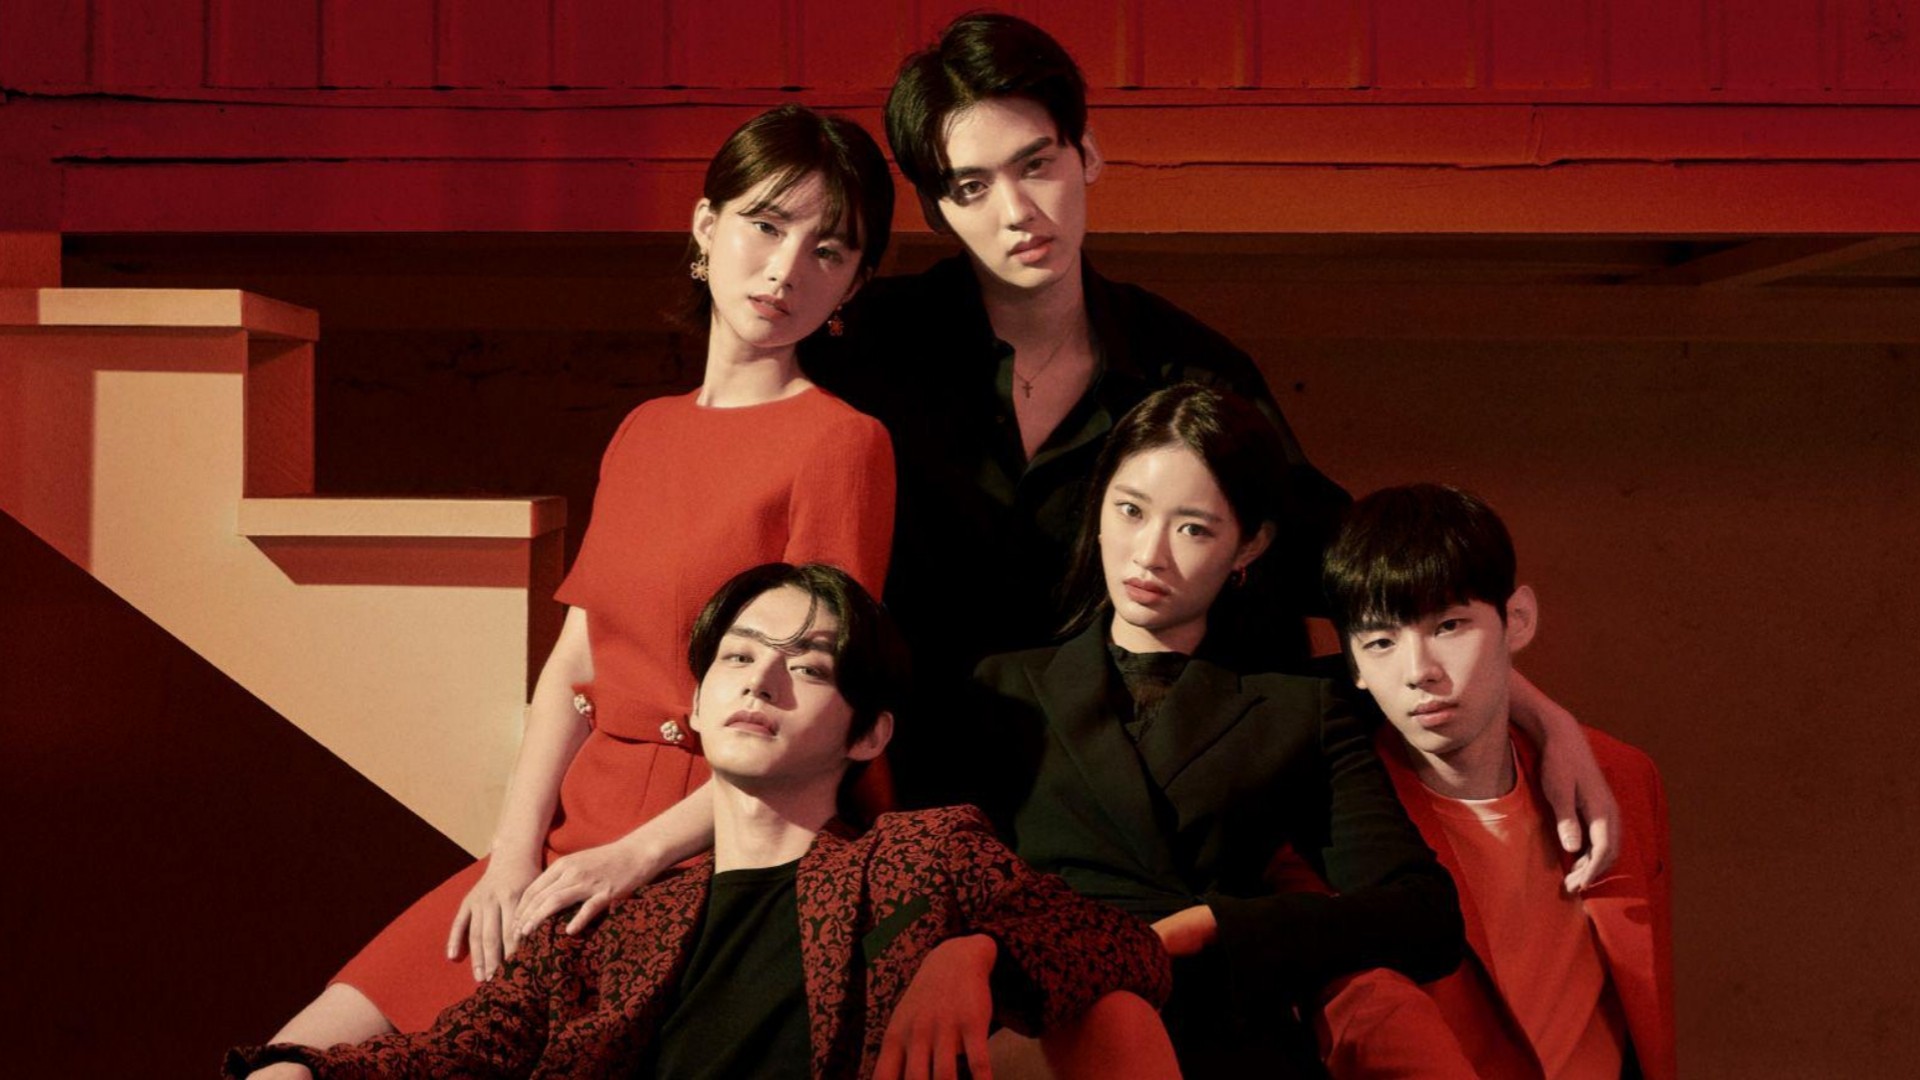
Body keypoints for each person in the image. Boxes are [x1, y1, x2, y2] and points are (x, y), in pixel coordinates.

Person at [799, 15, 1619, 877]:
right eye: (971, 187)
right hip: (898, 794)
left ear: (1087, 155)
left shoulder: (1188, 371)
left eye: (1036, 164)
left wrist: (1534, 711)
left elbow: (1343, 566)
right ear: (935, 208)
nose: (1017, 213)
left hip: (1123, 826)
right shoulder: (870, 352)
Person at [264, 105, 901, 1047]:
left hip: (722, 836)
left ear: (854, 282)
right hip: (577, 821)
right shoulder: (644, 429)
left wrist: (633, 858)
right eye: (766, 225)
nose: (786, 269)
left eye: (829, 250)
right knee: (297, 1052)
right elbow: (575, 662)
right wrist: (510, 853)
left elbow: (819, 716)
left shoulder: (843, 442)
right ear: (705, 226)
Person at [227, 563, 1174, 1079]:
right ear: (698, 699)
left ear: (868, 733)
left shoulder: (921, 859)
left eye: (808, 667)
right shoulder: (608, 925)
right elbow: (469, 1050)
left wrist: (974, 956)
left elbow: (1126, 951)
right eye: (738, 657)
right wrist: (301, 1072)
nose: (761, 682)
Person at [962, 384, 1465, 1078]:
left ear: (1249, 545)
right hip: (1046, 1034)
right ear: (1098, 506)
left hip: (1226, 1042)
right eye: (1131, 510)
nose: (1150, 554)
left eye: (1194, 529)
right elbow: (945, 881)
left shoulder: (1297, 707)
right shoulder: (1002, 688)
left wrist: (1222, 925)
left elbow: (1425, 916)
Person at [1314, 485, 1675, 1079]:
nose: (1419, 672)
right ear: (1353, 663)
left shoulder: (1621, 777)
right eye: (1381, 642)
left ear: (1518, 620)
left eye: (1449, 625)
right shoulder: (1338, 819)